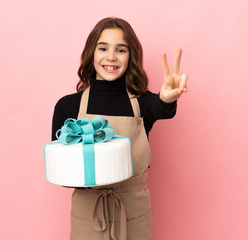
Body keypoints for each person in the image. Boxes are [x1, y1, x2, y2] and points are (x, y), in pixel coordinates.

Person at [51, 17, 188, 240]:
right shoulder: (68, 106)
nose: (111, 57)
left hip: (134, 215)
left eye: (121, 50)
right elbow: (61, 170)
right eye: (103, 48)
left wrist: (166, 99)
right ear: (91, 53)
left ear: (130, 56)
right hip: (89, 216)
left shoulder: (143, 103)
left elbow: (162, 108)